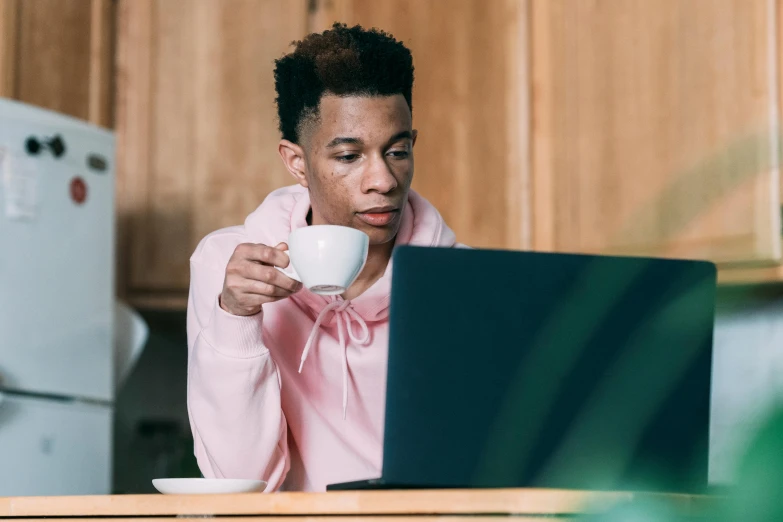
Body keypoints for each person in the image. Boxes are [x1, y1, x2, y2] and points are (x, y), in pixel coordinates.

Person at [187, 23, 460, 492]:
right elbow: (240, 483)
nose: (384, 180)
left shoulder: (461, 279)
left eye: (397, 151)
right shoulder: (229, 265)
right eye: (349, 156)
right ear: (296, 162)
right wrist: (236, 317)